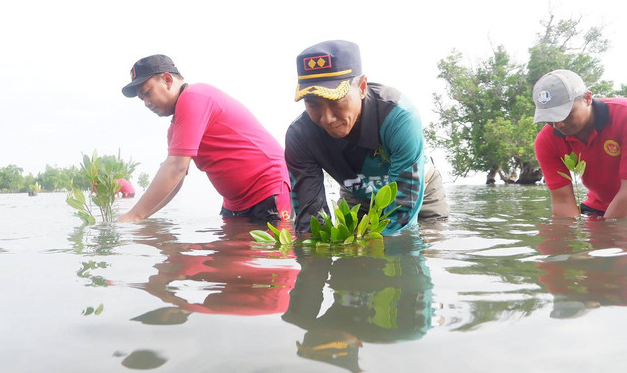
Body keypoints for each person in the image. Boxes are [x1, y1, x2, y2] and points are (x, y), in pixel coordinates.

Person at [285, 40, 449, 234]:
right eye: (313, 104)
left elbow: (402, 216)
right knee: (354, 259)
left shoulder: (399, 116)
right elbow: (310, 221)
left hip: (421, 190)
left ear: (362, 87)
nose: (327, 118)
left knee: (415, 246)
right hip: (358, 194)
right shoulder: (300, 135)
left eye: (336, 101)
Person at [117, 54, 291, 223]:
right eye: (142, 99)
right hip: (234, 204)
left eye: (147, 93)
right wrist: (141, 218)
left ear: (168, 80)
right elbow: (175, 182)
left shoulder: (194, 96)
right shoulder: (174, 129)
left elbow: (176, 167)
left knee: (272, 251)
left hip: (268, 190)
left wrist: (134, 215)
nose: (146, 103)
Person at [533, 69, 627, 218]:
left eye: (566, 114)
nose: (559, 125)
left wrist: (607, 234)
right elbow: (562, 201)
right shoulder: (546, 141)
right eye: (550, 118)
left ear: (587, 98)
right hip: (599, 206)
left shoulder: (623, 116)